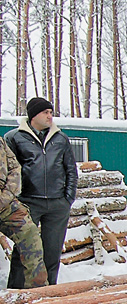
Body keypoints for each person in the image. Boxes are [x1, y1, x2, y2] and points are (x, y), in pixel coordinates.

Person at [5, 97, 78, 287]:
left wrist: (67, 198)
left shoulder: (60, 138)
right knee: (25, 249)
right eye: (46, 112)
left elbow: (70, 169)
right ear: (33, 115)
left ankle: (48, 293)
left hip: (57, 204)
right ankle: (16, 292)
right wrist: (16, 199)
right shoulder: (14, 137)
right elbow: (10, 169)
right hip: (28, 202)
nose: (50, 116)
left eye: (51, 112)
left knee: (52, 252)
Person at [0, 136, 48, 288]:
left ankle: (38, 293)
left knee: (30, 233)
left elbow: (14, 168)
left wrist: (5, 197)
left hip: (5, 203)